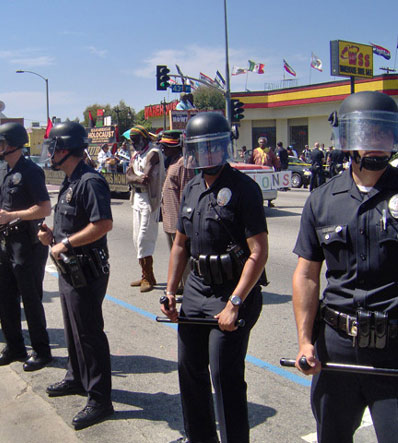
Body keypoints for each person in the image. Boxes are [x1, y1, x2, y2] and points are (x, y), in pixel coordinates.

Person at [292, 91, 398, 443]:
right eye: (368, 134)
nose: (377, 143)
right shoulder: (322, 200)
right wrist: (305, 342)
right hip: (336, 348)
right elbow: (307, 274)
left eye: (385, 133)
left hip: (394, 349)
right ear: (349, 140)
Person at [162, 112, 268, 443]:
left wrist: (236, 303)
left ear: (224, 147)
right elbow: (180, 244)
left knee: (224, 375)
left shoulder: (244, 190)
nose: (206, 154)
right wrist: (169, 293)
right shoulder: (191, 187)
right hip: (196, 290)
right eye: (199, 148)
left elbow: (258, 252)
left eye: (213, 147)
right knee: (189, 371)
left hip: (232, 293)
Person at [38, 121, 114, 430]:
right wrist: (53, 236)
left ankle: (99, 399)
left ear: (65, 149)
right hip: (69, 267)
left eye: (53, 147)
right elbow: (73, 222)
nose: (50, 153)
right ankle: (76, 377)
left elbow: (103, 224)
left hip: (86, 268)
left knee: (89, 332)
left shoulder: (89, 181)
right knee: (72, 327)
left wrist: (66, 243)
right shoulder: (70, 181)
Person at [0, 122, 52, 371]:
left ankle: (41, 351)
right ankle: (14, 346)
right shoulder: (2, 172)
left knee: (30, 299)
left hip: (27, 244)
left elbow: (43, 208)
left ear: (13, 144)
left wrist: (12, 215)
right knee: (5, 297)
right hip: (4, 244)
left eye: (0, 143)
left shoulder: (30, 171)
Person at [126, 125, 165, 292]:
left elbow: (146, 179)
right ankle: (146, 275)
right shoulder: (136, 155)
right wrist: (136, 178)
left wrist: (135, 177)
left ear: (145, 139)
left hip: (150, 200)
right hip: (137, 199)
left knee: (144, 238)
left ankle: (148, 277)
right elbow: (128, 176)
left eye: (137, 140)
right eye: (132, 141)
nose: (134, 144)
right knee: (136, 239)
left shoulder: (153, 153)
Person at [159, 130, 194, 295]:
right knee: (175, 257)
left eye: (166, 146)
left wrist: (184, 221)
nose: (163, 149)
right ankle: (179, 285)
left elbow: (185, 194)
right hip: (169, 219)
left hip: (178, 221)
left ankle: (188, 289)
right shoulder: (172, 161)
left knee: (183, 258)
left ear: (176, 147)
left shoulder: (183, 163)